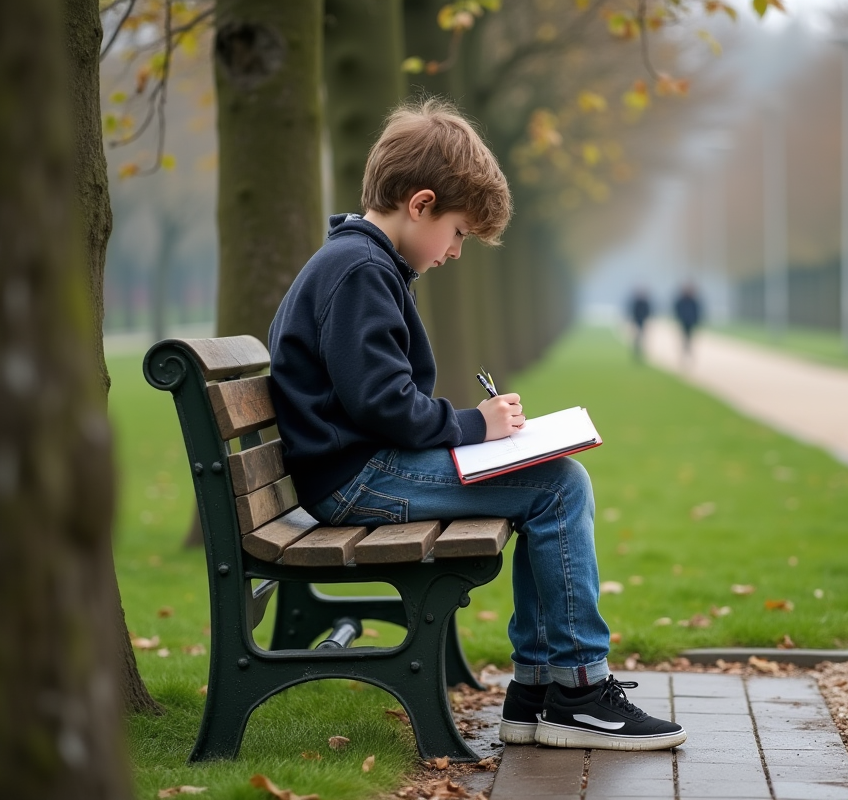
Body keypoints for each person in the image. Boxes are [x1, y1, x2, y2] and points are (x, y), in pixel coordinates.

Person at [267, 98, 685, 752]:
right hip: (356, 480)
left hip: (354, 470)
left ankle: (539, 692)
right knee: (557, 485)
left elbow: (378, 399)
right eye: (459, 232)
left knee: (552, 482)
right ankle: (573, 689)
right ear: (421, 203)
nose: (457, 252)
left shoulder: (363, 264)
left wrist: (480, 430)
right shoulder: (360, 272)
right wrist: (476, 424)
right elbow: (384, 404)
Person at [673, 282, 702, 360]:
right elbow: (677, 310)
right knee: (684, 338)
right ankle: (685, 353)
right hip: (683, 322)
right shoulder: (681, 301)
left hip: (691, 322)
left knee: (689, 338)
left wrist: (696, 320)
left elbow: (697, 312)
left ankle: (688, 351)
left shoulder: (693, 301)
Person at [627, 288, 651, 361]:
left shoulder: (644, 302)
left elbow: (647, 311)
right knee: (637, 337)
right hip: (637, 320)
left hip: (642, 320)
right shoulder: (636, 302)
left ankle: (641, 350)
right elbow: (632, 311)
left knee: (641, 336)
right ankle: (637, 350)